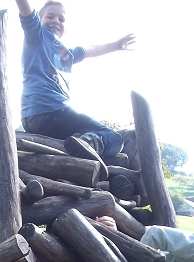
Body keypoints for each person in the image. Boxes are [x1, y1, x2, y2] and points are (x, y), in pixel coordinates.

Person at [15, 0, 135, 164]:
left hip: (35, 119)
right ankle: (88, 143)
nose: (56, 21)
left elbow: (90, 49)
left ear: (66, 29)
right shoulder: (37, 35)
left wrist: (116, 45)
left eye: (61, 19)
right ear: (39, 20)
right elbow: (26, 10)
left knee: (106, 138)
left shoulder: (67, 54)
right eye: (50, 16)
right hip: (51, 110)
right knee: (115, 138)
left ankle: (81, 145)